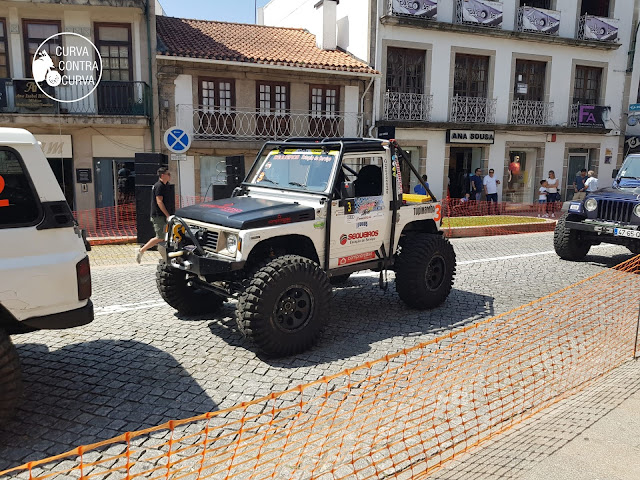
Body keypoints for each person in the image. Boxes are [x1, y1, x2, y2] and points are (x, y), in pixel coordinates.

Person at [136, 167, 174, 264]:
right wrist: (167, 215)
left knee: (166, 236)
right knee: (160, 236)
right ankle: (141, 250)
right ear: (162, 175)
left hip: (165, 215)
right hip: (158, 215)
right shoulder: (159, 186)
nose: (170, 176)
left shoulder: (166, 186)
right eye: (168, 174)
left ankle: (166, 256)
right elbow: (159, 201)